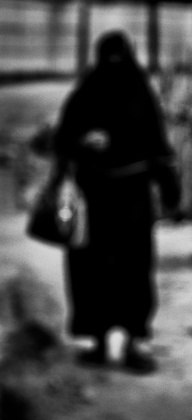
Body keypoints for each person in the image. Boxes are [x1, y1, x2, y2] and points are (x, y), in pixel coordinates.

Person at [50, 30, 180, 373]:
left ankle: (137, 340)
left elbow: (158, 145)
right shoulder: (86, 93)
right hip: (93, 195)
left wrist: (169, 189)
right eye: (109, 59)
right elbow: (62, 139)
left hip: (134, 196)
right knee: (92, 268)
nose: (115, 66)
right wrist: (83, 140)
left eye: (120, 58)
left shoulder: (141, 93)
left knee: (135, 267)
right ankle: (97, 338)